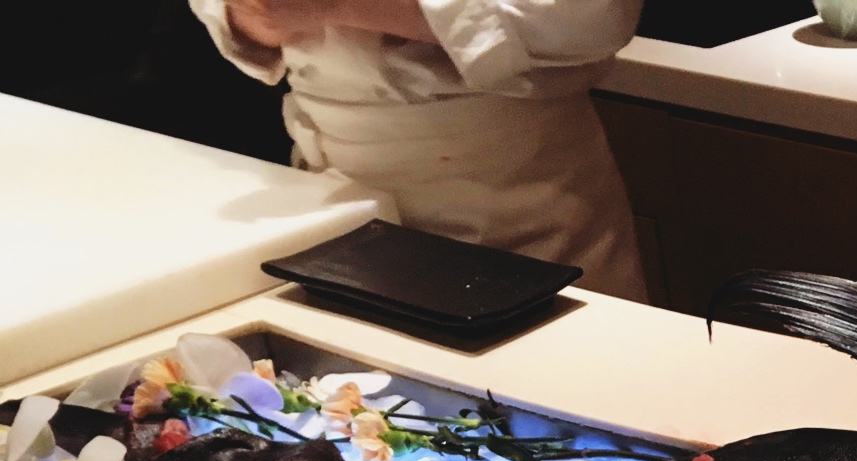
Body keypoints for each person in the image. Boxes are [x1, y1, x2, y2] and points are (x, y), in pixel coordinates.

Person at [190, 0, 648, 300]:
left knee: (551, 395)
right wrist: (249, 14)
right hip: (328, 189)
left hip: (514, 194)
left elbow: (592, 16)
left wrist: (340, 4)